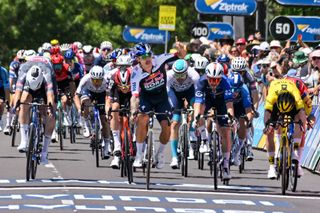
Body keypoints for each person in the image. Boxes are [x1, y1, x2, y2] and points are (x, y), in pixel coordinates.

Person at [130, 42, 186, 169]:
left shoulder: (159, 59)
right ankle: (139, 155)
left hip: (162, 98)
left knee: (167, 126)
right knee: (142, 119)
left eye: (149, 55)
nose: (147, 59)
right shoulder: (136, 73)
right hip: (146, 98)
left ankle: (160, 153)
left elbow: (181, 56)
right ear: (138, 59)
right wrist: (134, 111)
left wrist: (182, 50)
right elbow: (134, 96)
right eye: (143, 57)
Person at [193, 62, 235, 180]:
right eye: (211, 79)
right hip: (208, 99)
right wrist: (197, 116)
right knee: (199, 115)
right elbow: (198, 102)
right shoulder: (201, 82)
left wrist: (230, 117)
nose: (213, 83)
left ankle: (226, 165)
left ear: (221, 78)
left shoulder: (226, 83)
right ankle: (204, 140)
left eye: (217, 80)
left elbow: (229, 104)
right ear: (207, 77)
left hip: (221, 102)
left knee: (226, 131)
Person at [13, 56, 56, 165]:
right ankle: (23, 140)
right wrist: (16, 107)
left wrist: (50, 109)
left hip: (45, 84)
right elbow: (17, 92)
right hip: (29, 85)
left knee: (51, 113)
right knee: (23, 102)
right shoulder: (23, 70)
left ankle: (45, 152)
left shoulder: (47, 74)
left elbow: (50, 95)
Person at [263, 79, 307, 179]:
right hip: (276, 106)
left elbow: (301, 113)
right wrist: (268, 125)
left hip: (291, 105)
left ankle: (295, 151)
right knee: (269, 132)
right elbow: (267, 113)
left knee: (298, 122)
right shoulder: (272, 96)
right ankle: (271, 167)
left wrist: (302, 127)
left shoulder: (296, 96)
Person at [167, 59, 200, 168]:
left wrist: (193, 110)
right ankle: (174, 157)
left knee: (194, 109)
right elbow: (167, 94)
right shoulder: (168, 76)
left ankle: (192, 134)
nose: (179, 78)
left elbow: (198, 94)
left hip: (190, 92)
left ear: (187, 71)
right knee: (175, 123)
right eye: (177, 75)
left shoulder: (194, 75)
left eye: (182, 75)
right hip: (174, 94)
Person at [74, 66, 111, 158]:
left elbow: (109, 98)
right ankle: (86, 123)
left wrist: (107, 111)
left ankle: (107, 144)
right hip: (89, 91)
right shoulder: (85, 79)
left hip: (102, 95)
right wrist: (79, 109)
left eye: (99, 81)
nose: (97, 83)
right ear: (91, 78)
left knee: (104, 120)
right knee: (86, 102)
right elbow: (76, 96)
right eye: (94, 81)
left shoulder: (107, 80)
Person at [106, 54, 133, 169]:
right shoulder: (111, 75)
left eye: (126, 66)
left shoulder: (135, 74)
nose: (124, 68)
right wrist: (109, 111)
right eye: (121, 66)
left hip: (132, 96)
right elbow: (108, 98)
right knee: (114, 108)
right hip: (117, 95)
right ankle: (117, 147)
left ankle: (138, 139)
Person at [0, 64, 10, 132]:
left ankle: (0, 119)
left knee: (0, 103)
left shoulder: (3, 71)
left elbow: (6, 87)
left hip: (1, 88)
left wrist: (7, 101)